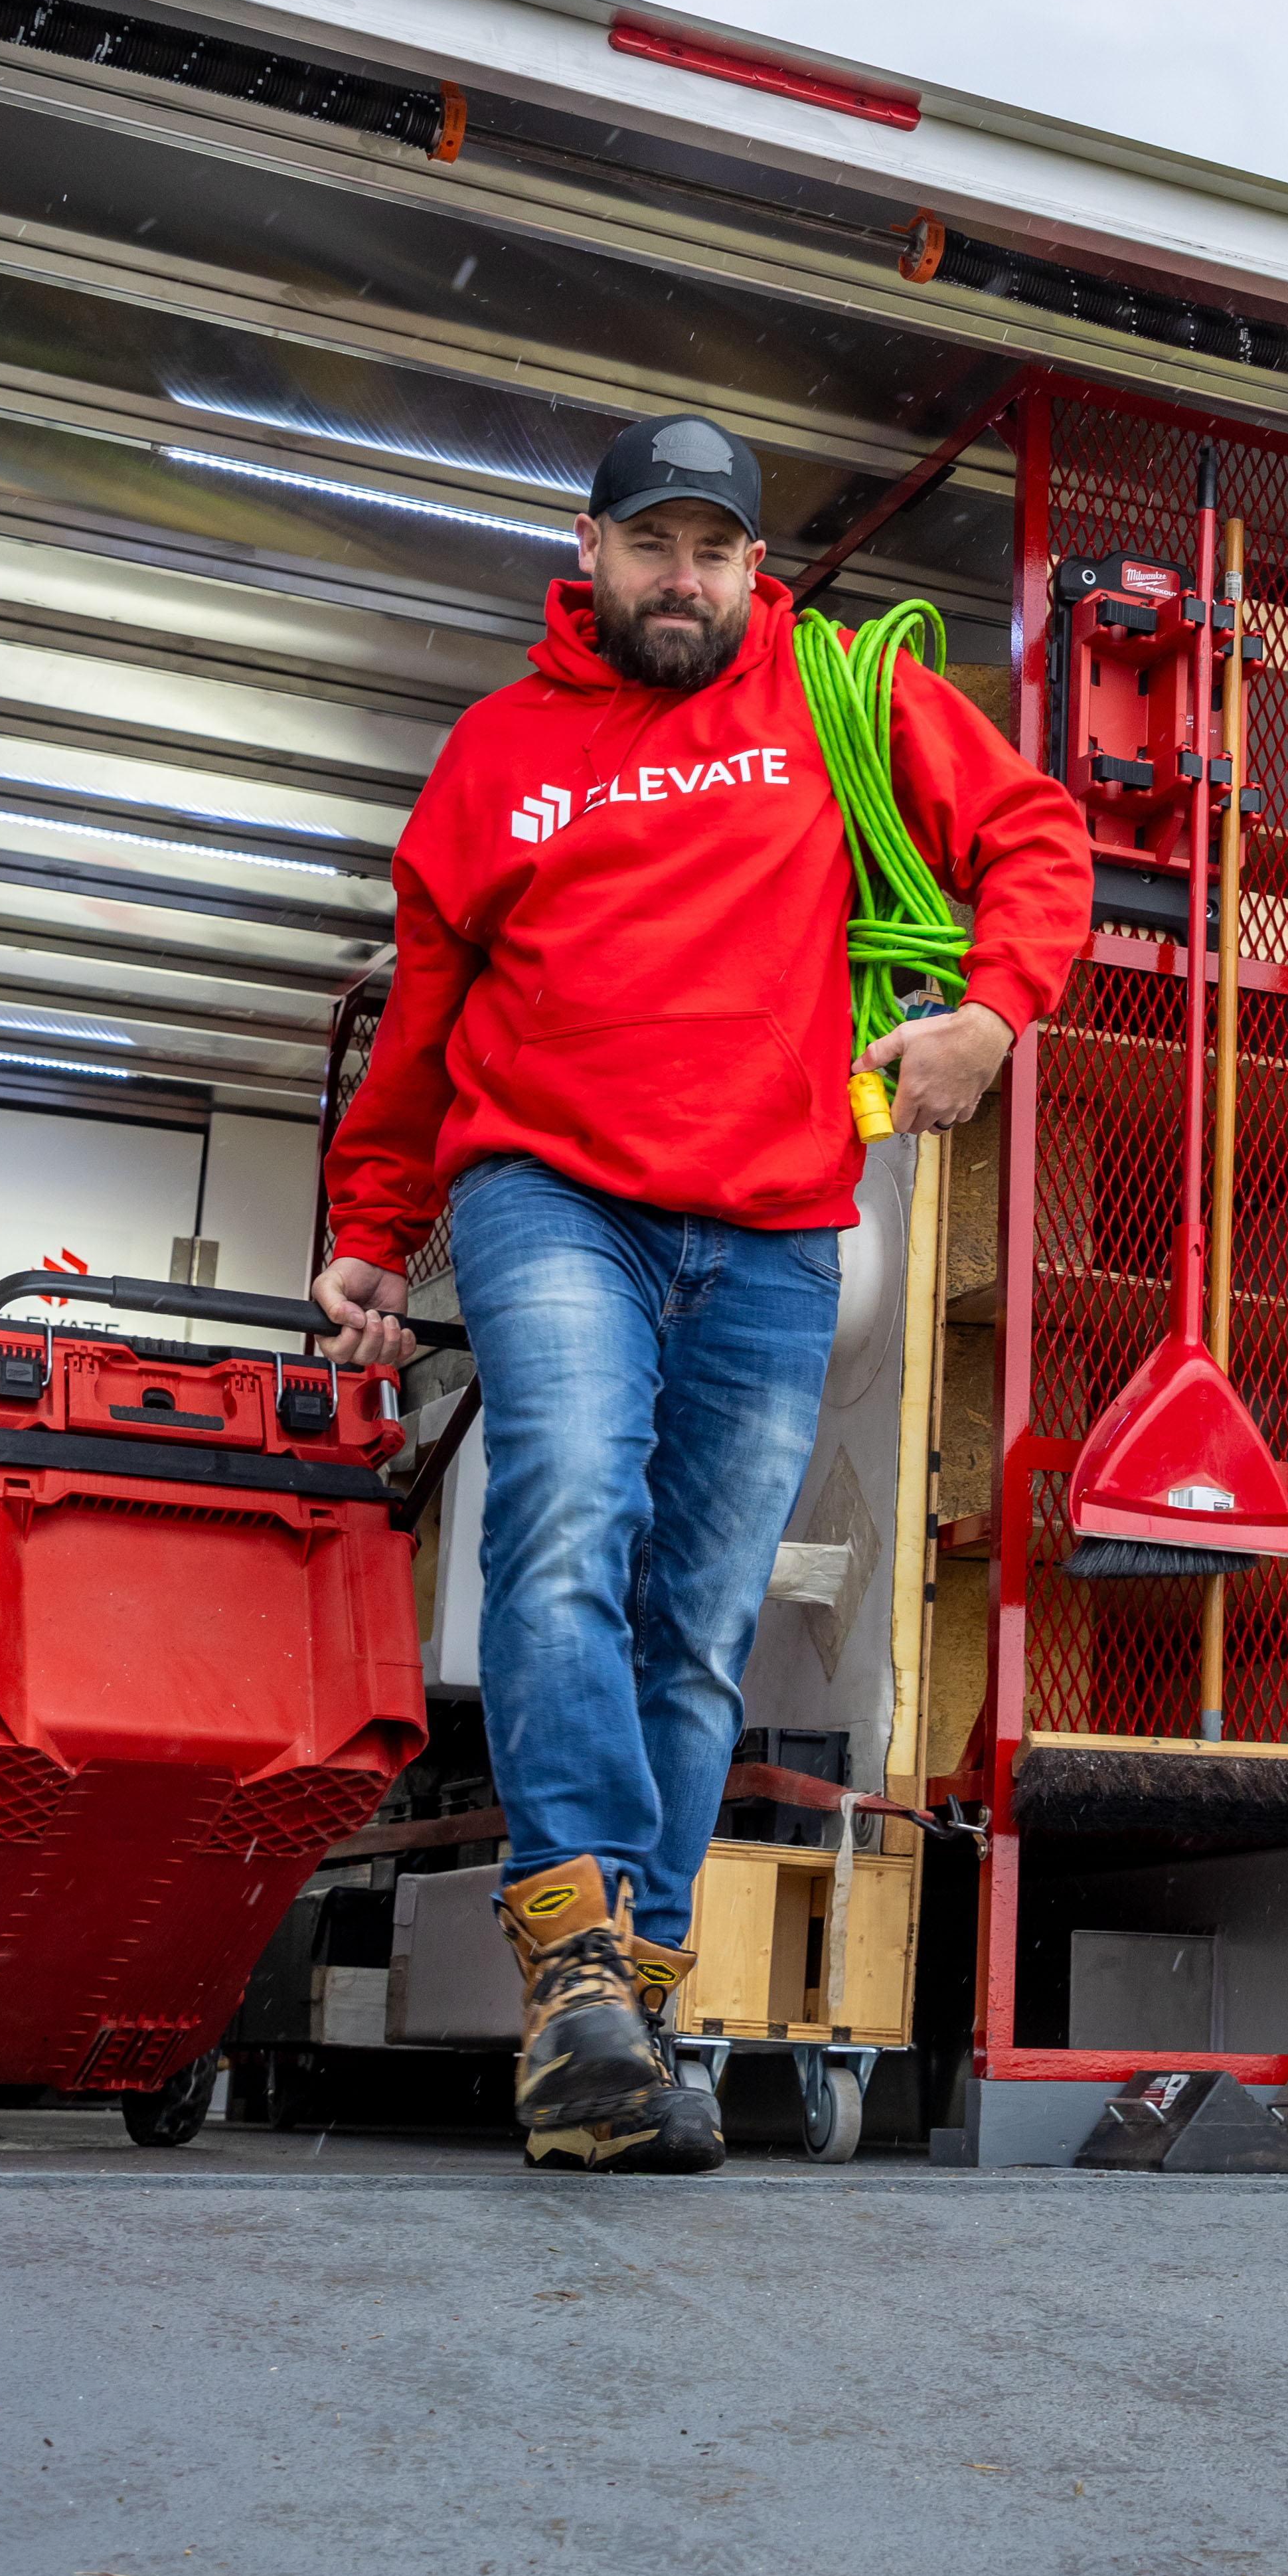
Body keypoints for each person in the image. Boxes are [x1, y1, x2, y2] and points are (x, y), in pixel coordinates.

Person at [313, 411, 1088, 2170]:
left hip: (780, 1215)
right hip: (550, 1189)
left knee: (703, 1614)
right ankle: (573, 1949)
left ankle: (619, 2029)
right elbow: (425, 1030)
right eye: (651, 543)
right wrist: (372, 1217)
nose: (684, 577)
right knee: (568, 1513)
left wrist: (991, 1010)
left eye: (715, 548)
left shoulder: (837, 694)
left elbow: (1035, 836)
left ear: (755, 563)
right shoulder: (498, 754)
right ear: (587, 549)